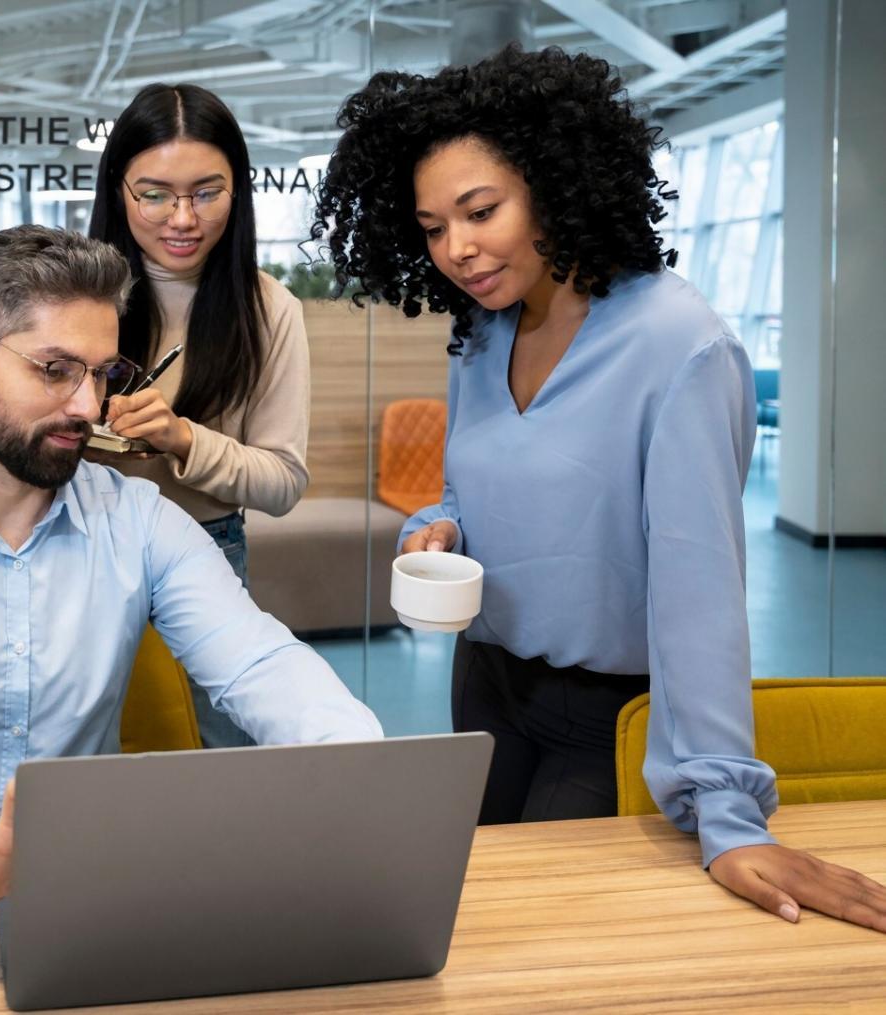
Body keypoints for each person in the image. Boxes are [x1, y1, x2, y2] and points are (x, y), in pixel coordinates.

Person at [313, 44, 886, 932]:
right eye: (431, 227)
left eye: (480, 211)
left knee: (547, 939)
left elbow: (698, 594)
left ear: (553, 183)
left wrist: (726, 817)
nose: (456, 250)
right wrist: (437, 528)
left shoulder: (678, 345)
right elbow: (471, 492)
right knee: (461, 927)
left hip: (603, 713)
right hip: (484, 684)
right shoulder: (481, 330)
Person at [0, 225, 383, 899]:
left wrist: (364, 770)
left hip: (77, 892)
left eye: (101, 374)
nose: (89, 407)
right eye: (54, 369)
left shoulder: (141, 522)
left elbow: (263, 665)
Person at [89, 83, 314, 749]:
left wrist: (180, 438)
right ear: (118, 189)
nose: (182, 217)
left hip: (204, 550)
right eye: (154, 193)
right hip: (76, 544)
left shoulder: (268, 309)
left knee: (217, 757)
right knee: (80, 753)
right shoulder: (69, 291)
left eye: (206, 192)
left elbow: (282, 481)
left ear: (237, 190)